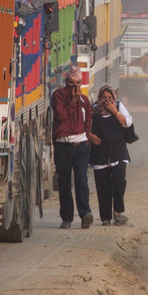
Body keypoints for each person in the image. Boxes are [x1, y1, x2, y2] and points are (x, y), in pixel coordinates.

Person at [51, 65, 93, 229]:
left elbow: (88, 119)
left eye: (77, 84)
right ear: (66, 82)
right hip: (63, 145)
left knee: (82, 181)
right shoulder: (59, 96)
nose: (74, 88)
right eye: (71, 84)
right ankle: (67, 217)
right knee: (64, 183)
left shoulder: (85, 100)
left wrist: (87, 137)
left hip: (80, 145)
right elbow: (61, 116)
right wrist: (73, 101)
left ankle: (85, 214)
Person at [88, 85, 132, 226]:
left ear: (114, 98)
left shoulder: (119, 107)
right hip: (100, 155)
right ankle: (105, 218)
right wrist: (90, 136)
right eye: (104, 98)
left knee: (119, 181)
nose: (107, 101)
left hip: (118, 152)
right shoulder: (93, 111)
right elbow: (84, 128)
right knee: (103, 187)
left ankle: (118, 212)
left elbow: (127, 123)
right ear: (99, 98)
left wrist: (115, 112)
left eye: (110, 98)